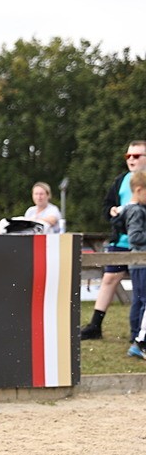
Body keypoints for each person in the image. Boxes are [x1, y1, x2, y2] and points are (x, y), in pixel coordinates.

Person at [80, 140, 146, 340]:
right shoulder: (121, 180)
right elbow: (107, 205)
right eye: (128, 156)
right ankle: (95, 325)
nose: (131, 160)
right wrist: (112, 212)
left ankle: (138, 334)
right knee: (109, 279)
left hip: (142, 242)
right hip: (123, 239)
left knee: (141, 292)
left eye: (136, 156)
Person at [117, 171, 146, 359]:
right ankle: (139, 339)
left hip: (139, 262)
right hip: (141, 262)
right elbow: (135, 237)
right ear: (139, 190)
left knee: (140, 300)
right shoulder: (136, 211)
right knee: (143, 301)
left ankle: (138, 337)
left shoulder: (133, 209)